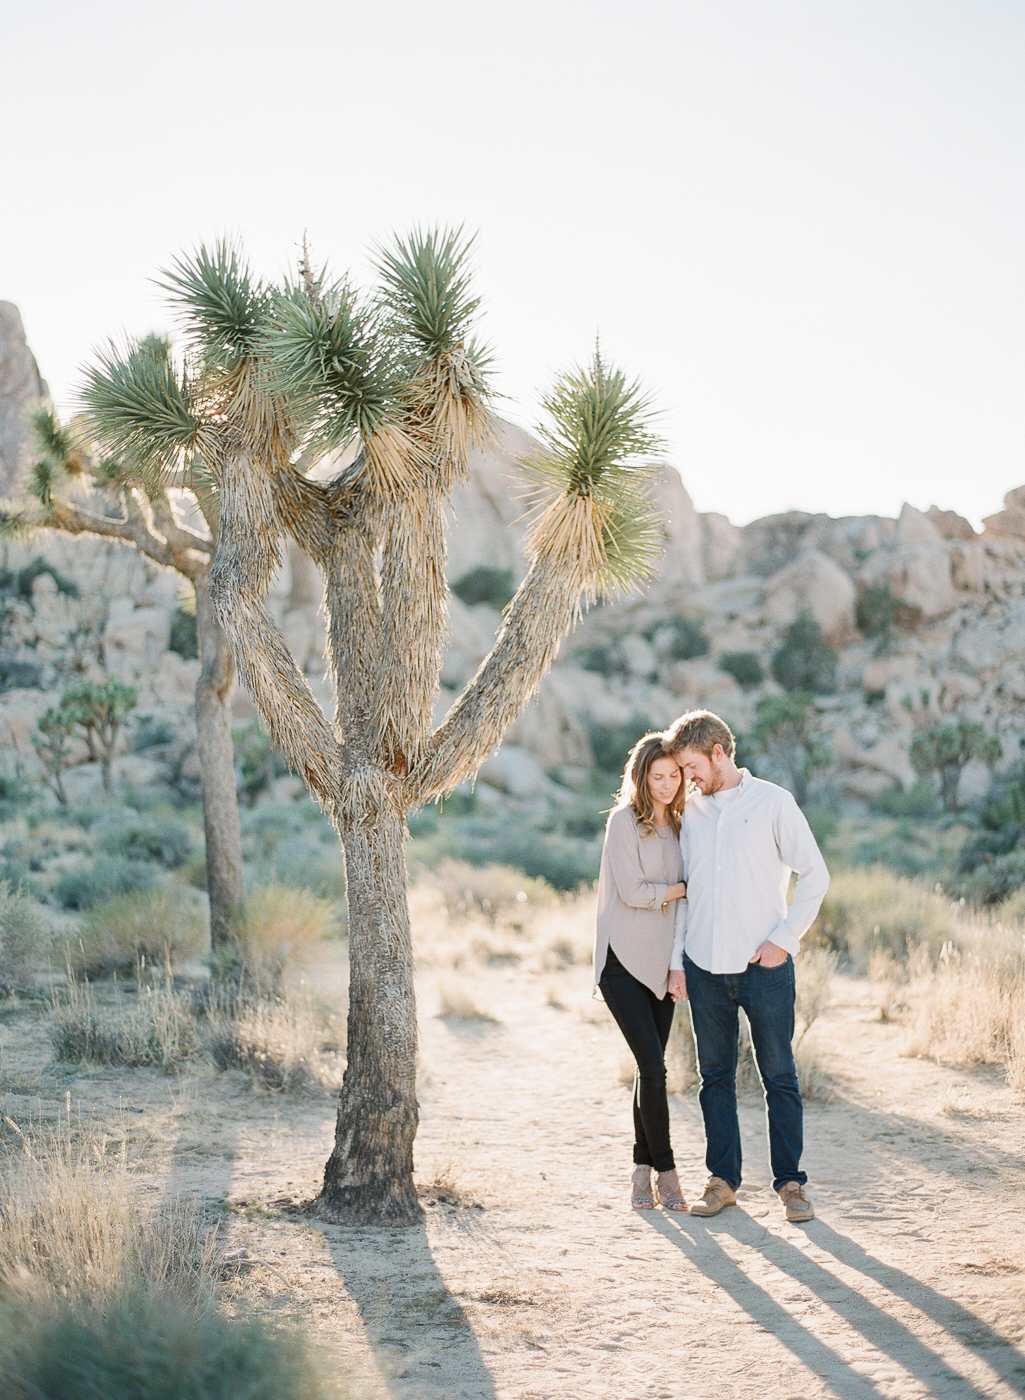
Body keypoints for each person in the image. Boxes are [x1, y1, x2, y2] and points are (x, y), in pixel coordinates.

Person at [665, 709, 829, 1224]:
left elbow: (815, 874)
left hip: (764, 967)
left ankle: (791, 1184)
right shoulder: (691, 815)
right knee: (713, 1077)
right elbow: (685, 898)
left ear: (719, 753)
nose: (688, 779)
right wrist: (678, 964)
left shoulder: (774, 802)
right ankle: (723, 1181)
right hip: (705, 967)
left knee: (779, 1074)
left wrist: (784, 939)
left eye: (692, 767)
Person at [593, 732, 689, 1211]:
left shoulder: (684, 824)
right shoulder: (622, 823)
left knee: (646, 1070)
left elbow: (683, 910)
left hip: (663, 965)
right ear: (642, 776)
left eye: (674, 775)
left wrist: (678, 966)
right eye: (659, 776)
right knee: (654, 1068)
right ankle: (667, 1173)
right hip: (621, 962)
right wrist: (681, 888)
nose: (668, 784)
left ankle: (639, 1170)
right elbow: (632, 892)